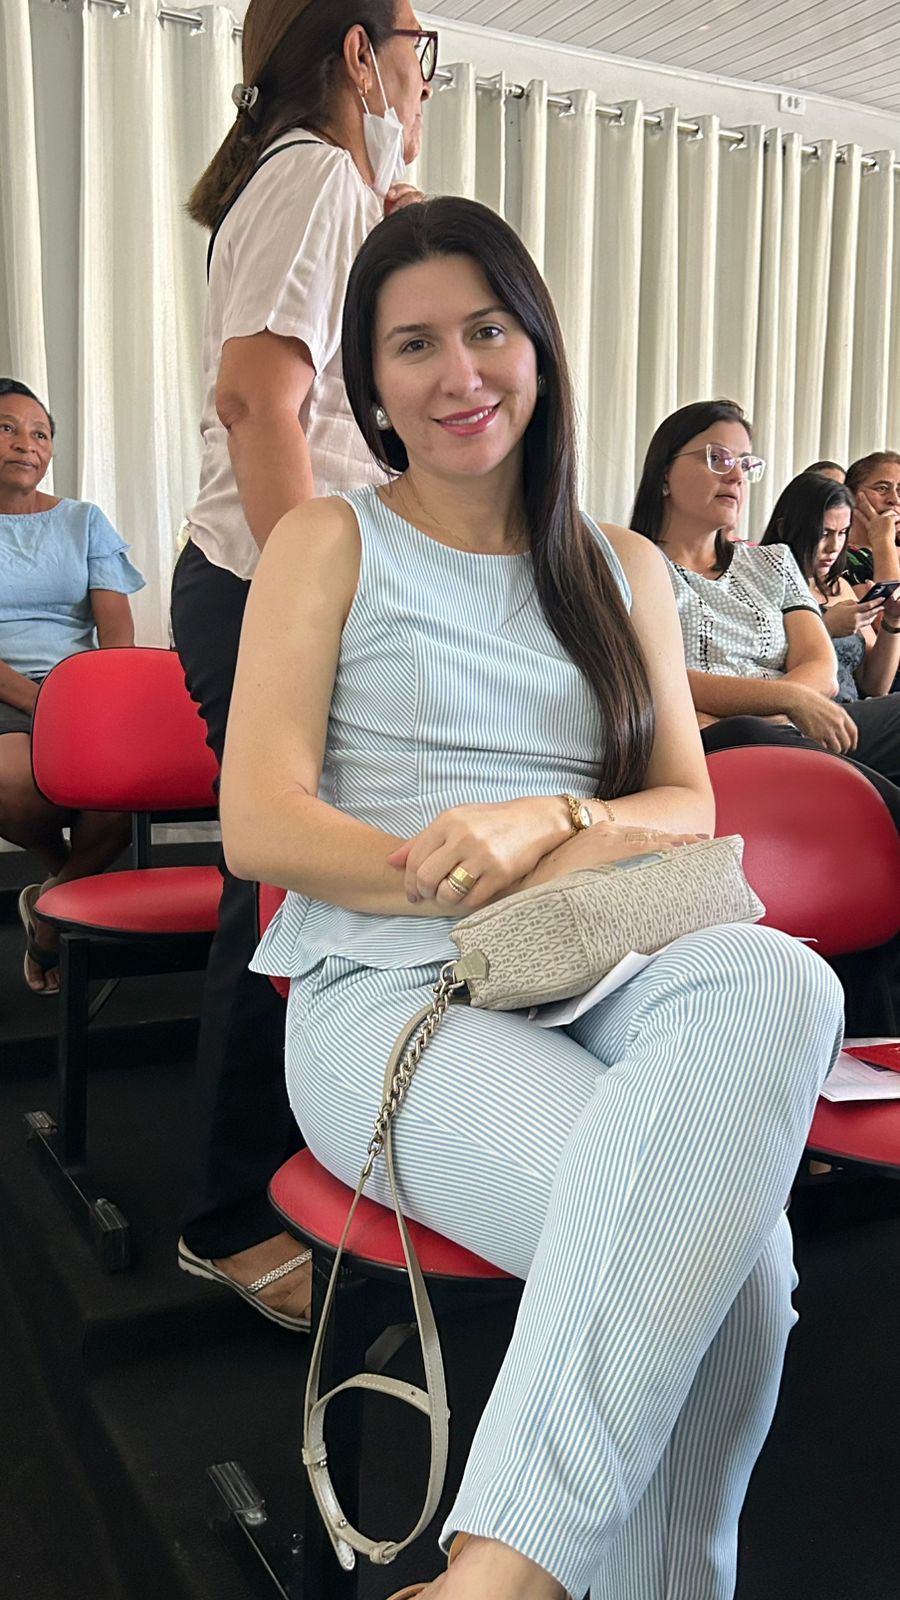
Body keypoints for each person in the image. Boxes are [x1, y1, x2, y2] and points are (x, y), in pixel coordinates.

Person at [220, 197, 842, 1600]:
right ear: (372, 383)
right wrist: (447, 869)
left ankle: (498, 1576)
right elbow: (260, 824)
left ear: (540, 347)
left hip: (595, 954)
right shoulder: (331, 540)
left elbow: (684, 805)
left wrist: (542, 823)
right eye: (414, 344)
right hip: (391, 990)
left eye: (488, 330)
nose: (460, 374)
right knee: (728, 1262)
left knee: (787, 978)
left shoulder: (620, 565)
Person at [170, 0, 435, 1330]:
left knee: (300, 887)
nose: (427, 80)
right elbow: (256, 403)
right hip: (265, 587)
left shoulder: (329, 185)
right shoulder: (315, 172)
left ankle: (294, 1171)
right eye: (419, 51)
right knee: (279, 887)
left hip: (273, 584)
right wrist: (308, 604)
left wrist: (397, 224)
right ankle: (228, 1215)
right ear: (359, 56)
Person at [629, 400, 900, 826]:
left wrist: (787, 705)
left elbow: (821, 668)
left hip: (799, 720)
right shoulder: (634, 563)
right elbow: (658, 679)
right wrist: (787, 700)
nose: (736, 476)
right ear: (664, 473)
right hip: (706, 738)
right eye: (718, 458)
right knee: (747, 734)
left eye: (745, 463)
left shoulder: (772, 561)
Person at [0, 379, 143, 993]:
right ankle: (72, 889)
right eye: (7, 428)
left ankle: (51, 906)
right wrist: (42, 703)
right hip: (7, 693)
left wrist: (106, 700)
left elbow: (116, 634)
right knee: (12, 786)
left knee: (116, 794)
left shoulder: (84, 521)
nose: (25, 444)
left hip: (78, 687)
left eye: (40, 433)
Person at [760, 472, 900, 735]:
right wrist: (826, 627)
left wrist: (892, 621)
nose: (834, 547)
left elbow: (875, 685)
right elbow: (761, 663)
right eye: (823, 533)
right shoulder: (763, 584)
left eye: (842, 533)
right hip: (804, 716)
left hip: (852, 713)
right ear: (784, 528)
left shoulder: (840, 587)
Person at [842, 451, 900, 590]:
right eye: (882, 488)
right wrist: (883, 540)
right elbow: (890, 600)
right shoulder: (836, 557)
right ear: (851, 495)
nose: (894, 499)